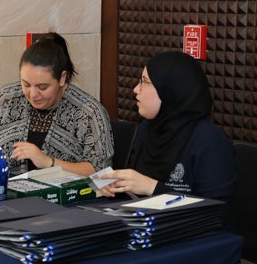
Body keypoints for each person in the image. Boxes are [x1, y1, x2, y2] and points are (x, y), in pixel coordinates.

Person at [0, 32, 113, 177]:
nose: (33, 94)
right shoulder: (6, 98)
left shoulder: (88, 113)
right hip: (5, 193)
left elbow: (100, 171)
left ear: (62, 78)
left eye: (42, 87)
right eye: (26, 84)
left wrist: (47, 162)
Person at [100, 51, 235, 200]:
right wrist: (116, 185)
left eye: (144, 81)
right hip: (144, 220)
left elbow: (216, 211)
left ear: (169, 90)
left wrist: (152, 187)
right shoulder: (148, 128)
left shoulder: (209, 141)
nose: (136, 89)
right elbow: (137, 192)